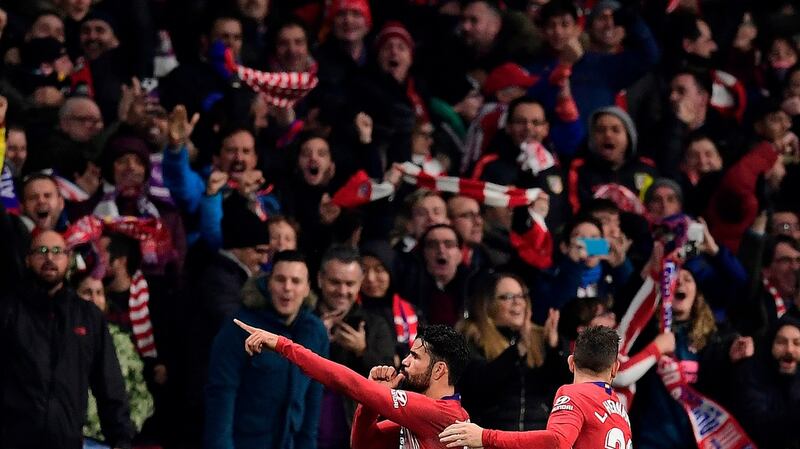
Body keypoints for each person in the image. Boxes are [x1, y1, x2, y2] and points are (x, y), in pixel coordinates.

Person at [236, 320, 471, 449]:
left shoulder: (440, 414)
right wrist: (371, 401)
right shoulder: (424, 418)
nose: (405, 361)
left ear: (439, 370)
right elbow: (363, 444)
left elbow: (347, 382)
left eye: (415, 357)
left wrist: (282, 345)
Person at [0, 230, 134, 449]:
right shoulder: (9, 311)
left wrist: (121, 439)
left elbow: (109, 384)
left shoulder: (88, 316)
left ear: (68, 259)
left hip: (66, 441)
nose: (49, 257)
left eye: (57, 251)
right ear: (28, 259)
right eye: (41, 251)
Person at [204, 250, 329, 449]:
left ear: (307, 288)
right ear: (268, 283)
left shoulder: (315, 331)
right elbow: (221, 395)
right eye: (280, 279)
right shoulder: (240, 327)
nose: (287, 288)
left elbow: (313, 403)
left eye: (296, 281)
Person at [438, 326, 632, 449]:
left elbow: (556, 441)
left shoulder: (574, 394)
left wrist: (485, 436)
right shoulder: (619, 411)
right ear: (615, 369)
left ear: (571, 362)